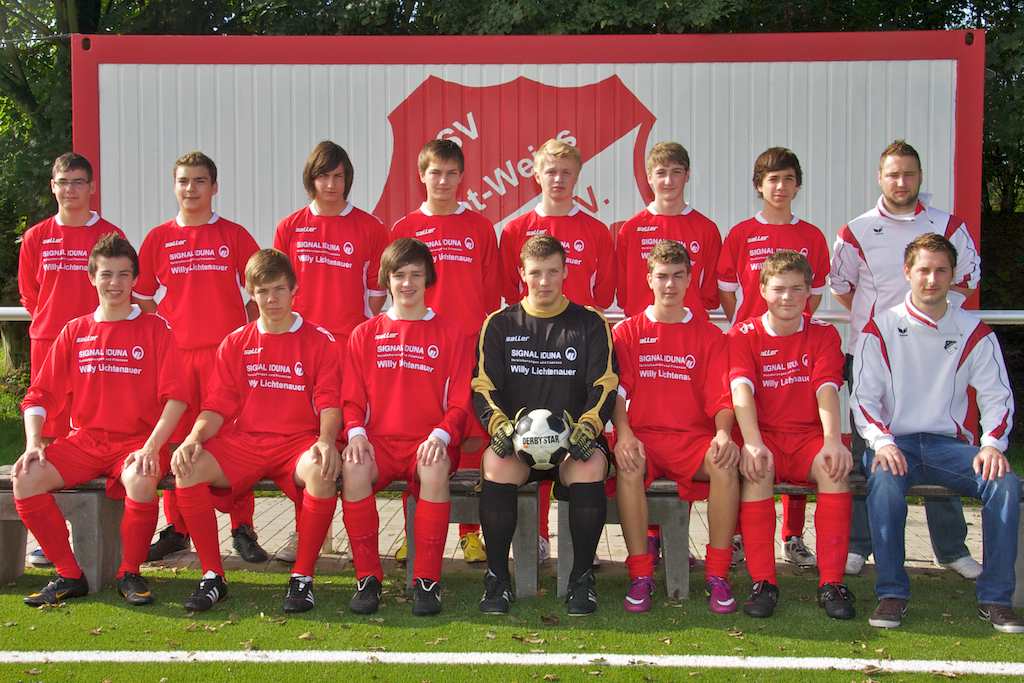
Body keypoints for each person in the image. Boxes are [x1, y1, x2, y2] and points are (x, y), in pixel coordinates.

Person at [851, 233, 1020, 632]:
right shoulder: (880, 328)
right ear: (907, 272)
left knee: (1005, 483)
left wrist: (992, 445)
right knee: (884, 482)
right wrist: (882, 442)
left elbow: (998, 396)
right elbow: (863, 399)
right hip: (895, 443)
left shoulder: (974, 331)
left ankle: (996, 598)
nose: (931, 279)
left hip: (949, 446)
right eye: (923, 270)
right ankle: (892, 593)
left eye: (941, 270)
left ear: (952, 275)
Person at [831, 139, 982, 579]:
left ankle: (951, 549)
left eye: (908, 174)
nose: (901, 182)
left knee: (940, 443)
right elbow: (842, 288)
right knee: (868, 448)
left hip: (932, 357)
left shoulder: (948, 226)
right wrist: (884, 325)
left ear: (919, 177)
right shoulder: (855, 230)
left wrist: (924, 323)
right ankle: (860, 545)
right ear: (880, 178)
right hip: (870, 354)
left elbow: (966, 280)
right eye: (893, 174)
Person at [13, 233, 186, 606]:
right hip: (86, 442)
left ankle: (130, 573)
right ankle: (69, 575)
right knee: (25, 477)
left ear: (134, 279)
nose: (115, 283)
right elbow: (38, 395)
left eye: (124, 274)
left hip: (137, 441)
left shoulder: (156, 328)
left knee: (141, 478)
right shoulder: (75, 331)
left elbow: (176, 399)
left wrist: (151, 448)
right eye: (106, 274)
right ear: (92, 277)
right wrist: (33, 443)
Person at [170, 248, 342, 613]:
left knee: (322, 470)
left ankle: (302, 578)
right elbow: (217, 406)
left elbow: (329, 402)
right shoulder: (236, 341)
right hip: (246, 443)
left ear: (294, 289)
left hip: (296, 443)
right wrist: (193, 438)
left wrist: (327, 440)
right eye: (263, 291)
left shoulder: (319, 340)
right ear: (251, 293)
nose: (272, 299)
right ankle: (213, 576)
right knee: (188, 468)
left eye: (279, 289)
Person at [473, 235, 618, 616]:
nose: (544, 281)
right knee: (495, 464)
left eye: (553, 271)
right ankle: (497, 579)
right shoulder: (499, 324)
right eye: (536, 272)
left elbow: (605, 384)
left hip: (572, 445)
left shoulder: (590, 323)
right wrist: (499, 426)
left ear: (566, 272)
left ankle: (581, 579)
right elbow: (483, 386)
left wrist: (588, 427)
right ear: (521, 273)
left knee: (590, 466)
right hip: (517, 444)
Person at [135, 151, 265, 565]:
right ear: (174, 186)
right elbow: (143, 297)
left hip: (224, 358)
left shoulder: (234, 235)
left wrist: (244, 332)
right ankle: (178, 528)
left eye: (199, 181)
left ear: (214, 187)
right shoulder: (158, 238)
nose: (191, 189)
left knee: (232, 437)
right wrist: (166, 333)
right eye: (183, 181)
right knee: (177, 437)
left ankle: (243, 527)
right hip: (178, 359)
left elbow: (260, 290)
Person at [341, 238, 472, 617]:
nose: (407, 283)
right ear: (387, 279)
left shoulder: (450, 333)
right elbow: (351, 400)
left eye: (416, 275)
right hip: (378, 443)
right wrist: (356, 434)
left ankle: (426, 581)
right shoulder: (364, 334)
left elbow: (460, 402)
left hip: (427, 441)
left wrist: (440, 435)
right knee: (353, 467)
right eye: (399, 275)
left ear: (428, 279)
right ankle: (368, 578)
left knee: (434, 468)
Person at [498, 138, 615, 560]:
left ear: (577, 176)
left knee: (577, 440)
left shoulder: (597, 231)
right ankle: (538, 536)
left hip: (579, 352)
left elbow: (605, 294)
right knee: (534, 434)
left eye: (566, 172)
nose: (558, 179)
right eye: (551, 171)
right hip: (532, 352)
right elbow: (510, 292)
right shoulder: (515, 230)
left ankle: (578, 541)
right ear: (536, 175)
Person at [273, 140, 388, 562]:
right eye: (324, 176)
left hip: (348, 349)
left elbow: (377, 294)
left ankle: (354, 534)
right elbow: (278, 288)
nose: (331, 184)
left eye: (339, 176)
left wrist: (355, 333)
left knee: (348, 438)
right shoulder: (290, 227)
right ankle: (309, 533)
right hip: (301, 349)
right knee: (306, 440)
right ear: (311, 179)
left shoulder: (370, 228)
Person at [612, 240, 740, 614]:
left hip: (692, 440)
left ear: (690, 280)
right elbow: (618, 393)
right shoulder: (627, 332)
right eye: (662, 276)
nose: (670, 284)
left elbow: (722, 398)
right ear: (649, 279)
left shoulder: (710, 336)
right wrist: (624, 434)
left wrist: (722, 433)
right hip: (645, 437)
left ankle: (717, 574)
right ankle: (641, 575)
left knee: (725, 464)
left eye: (678, 276)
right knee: (628, 464)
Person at [717, 148, 830, 569]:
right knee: (751, 439)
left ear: (797, 185)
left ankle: (793, 536)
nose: (780, 187)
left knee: (800, 431)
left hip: (794, 355)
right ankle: (741, 534)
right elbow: (727, 291)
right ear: (759, 186)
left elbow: (814, 296)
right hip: (750, 353)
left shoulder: (812, 236)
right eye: (772, 179)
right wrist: (749, 325)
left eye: (787, 179)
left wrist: (790, 328)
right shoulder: (742, 233)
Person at [390, 139, 501, 564]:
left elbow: (489, 294)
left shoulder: (480, 227)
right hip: (419, 348)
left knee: (471, 436)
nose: (443, 181)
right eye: (435, 172)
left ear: (461, 177)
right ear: (421, 175)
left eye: (451, 173)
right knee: (418, 436)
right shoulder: (404, 226)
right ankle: (413, 532)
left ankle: (470, 534)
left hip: (466, 347)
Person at [729, 250, 855, 620]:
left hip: (807, 438)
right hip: (764, 435)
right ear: (763, 290)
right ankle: (763, 582)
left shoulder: (823, 334)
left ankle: (831, 583)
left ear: (809, 292)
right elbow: (741, 390)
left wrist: (832, 440)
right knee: (757, 469)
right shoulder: (743, 334)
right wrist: (752, 443)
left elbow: (826, 389)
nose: (788, 297)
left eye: (797, 289)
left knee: (834, 467)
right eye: (779, 289)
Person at [615, 141, 723, 567]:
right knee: (644, 442)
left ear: (687, 175)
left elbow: (710, 294)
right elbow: (626, 294)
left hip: (689, 347)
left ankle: (677, 541)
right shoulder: (631, 229)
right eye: (660, 172)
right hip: (647, 344)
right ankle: (650, 542)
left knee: (690, 427)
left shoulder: (706, 229)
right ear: (649, 177)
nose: (668, 180)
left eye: (676, 172)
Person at [18, 152, 126, 568]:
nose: (70, 190)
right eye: (63, 182)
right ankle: (52, 537)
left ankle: (98, 534)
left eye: (78, 182)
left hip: (97, 346)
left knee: (87, 434)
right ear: (53, 186)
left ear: (91, 187)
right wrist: (53, 324)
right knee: (48, 436)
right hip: (49, 342)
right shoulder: (37, 237)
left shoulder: (109, 234)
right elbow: (30, 293)